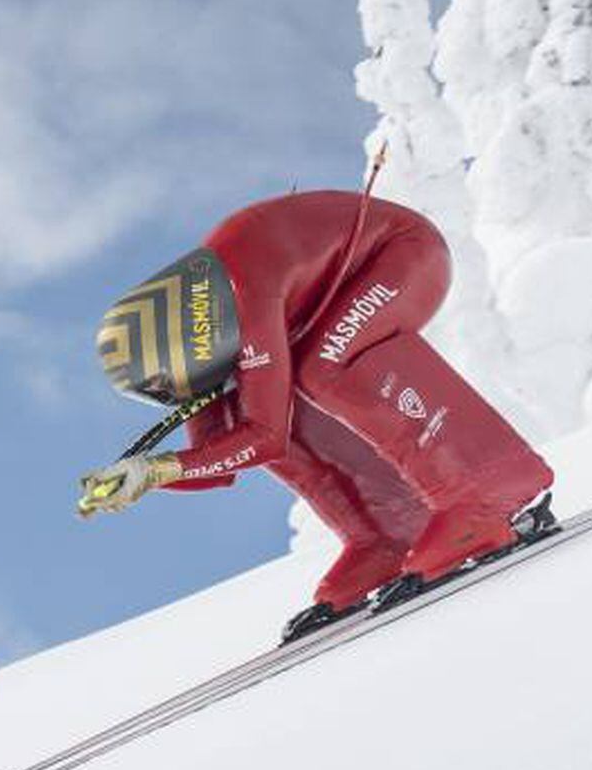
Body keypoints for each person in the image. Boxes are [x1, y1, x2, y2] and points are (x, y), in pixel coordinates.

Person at [81, 188, 555, 642]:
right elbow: (217, 459)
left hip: (403, 254)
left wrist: (160, 469)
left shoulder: (247, 292)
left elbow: (265, 438)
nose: (198, 395)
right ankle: (386, 533)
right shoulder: (208, 318)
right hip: (335, 294)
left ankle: (485, 488)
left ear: (190, 344)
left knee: (325, 365)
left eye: (194, 381)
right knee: (261, 398)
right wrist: (147, 475)